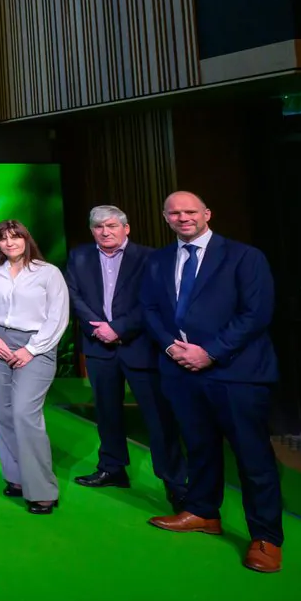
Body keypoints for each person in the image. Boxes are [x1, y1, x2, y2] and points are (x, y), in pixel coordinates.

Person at [141, 192, 283, 573]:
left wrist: (211, 352)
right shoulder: (158, 260)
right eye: (175, 213)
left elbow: (256, 314)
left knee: (254, 459)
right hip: (181, 372)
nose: (183, 218)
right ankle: (203, 512)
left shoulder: (244, 257)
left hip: (236, 374)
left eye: (190, 211)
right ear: (166, 218)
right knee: (199, 447)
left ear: (207, 214)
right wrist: (173, 348)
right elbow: (151, 310)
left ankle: (266, 537)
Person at [66, 205, 187, 508]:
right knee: (106, 412)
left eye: (111, 226)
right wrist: (99, 330)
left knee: (158, 417)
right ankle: (112, 467)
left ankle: (174, 482)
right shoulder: (79, 256)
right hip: (98, 347)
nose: (105, 232)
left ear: (126, 228)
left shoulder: (149, 257)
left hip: (139, 346)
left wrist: (118, 328)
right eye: (98, 227)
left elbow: (154, 301)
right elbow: (73, 295)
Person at [0, 220, 69, 514]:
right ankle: (16, 478)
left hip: (36, 345)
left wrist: (31, 349)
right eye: (3, 238)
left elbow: (58, 317)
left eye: (15, 237)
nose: (9, 243)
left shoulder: (48, 273)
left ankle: (42, 489)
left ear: (26, 239)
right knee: (2, 413)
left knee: (24, 413)